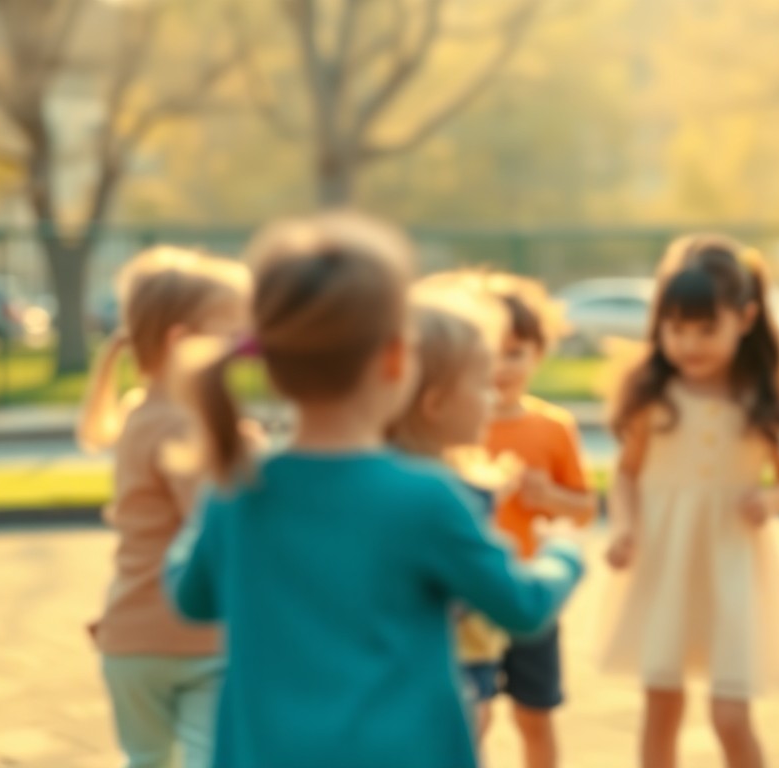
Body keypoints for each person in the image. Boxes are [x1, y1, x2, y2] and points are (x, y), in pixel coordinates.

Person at [161, 212, 586, 768]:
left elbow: (191, 598)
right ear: (394, 358)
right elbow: (521, 608)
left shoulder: (238, 489)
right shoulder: (424, 498)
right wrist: (563, 556)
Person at [598, 235, 779, 768]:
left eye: (706, 329)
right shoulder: (652, 395)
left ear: (745, 318)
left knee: (731, 717)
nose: (689, 345)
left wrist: (770, 500)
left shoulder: (764, 399)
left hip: (734, 566)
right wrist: (623, 527)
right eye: (676, 329)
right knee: (661, 706)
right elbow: (625, 475)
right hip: (663, 564)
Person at [77, 247, 250, 768]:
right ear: (182, 343)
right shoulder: (186, 427)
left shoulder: (138, 413)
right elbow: (219, 521)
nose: (244, 350)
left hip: (129, 641)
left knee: (148, 759)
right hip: (196, 639)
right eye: (231, 336)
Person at [387, 276, 514, 748]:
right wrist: (562, 560)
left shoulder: (364, 478)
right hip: (435, 673)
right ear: (435, 402)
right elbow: (513, 603)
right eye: (484, 385)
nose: (495, 399)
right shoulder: (449, 495)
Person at [477, 273, 595, 768]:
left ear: (538, 354)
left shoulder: (552, 427)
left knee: (535, 716)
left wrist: (550, 497)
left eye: (515, 352)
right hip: (469, 594)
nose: (501, 367)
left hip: (531, 589)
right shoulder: (450, 424)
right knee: (471, 715)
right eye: (489, 352)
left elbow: (585, 509)